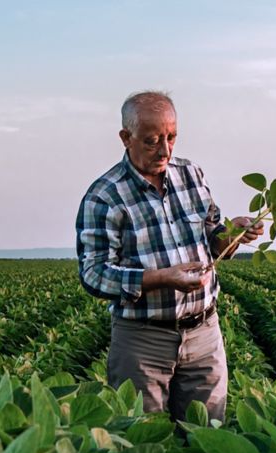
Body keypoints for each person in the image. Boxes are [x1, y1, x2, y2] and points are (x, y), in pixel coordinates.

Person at [74, 90, 266, 424]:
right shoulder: (104, 195)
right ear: (126, 137)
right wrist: (163, 277)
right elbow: (94, 274)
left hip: (204, 333)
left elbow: (212, 240)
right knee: (143, 441)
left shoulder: (191, 175)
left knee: (208, 437)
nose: (165, 149)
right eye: (151, 140)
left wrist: (232, 234)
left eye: (171, 137)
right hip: (142, 340)